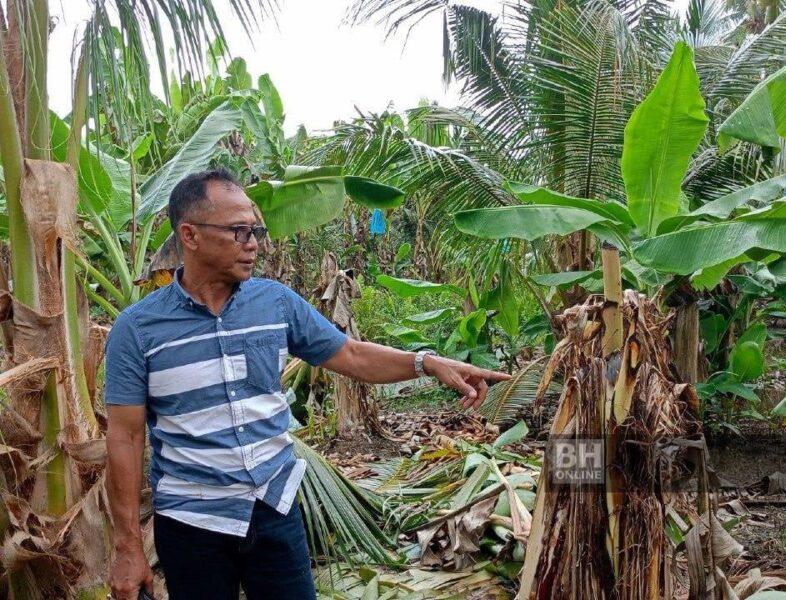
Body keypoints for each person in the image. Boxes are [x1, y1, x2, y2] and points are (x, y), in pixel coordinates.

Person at [104, 168, 511, 600]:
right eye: (239, 231)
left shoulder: (275, 303)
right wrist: (128, 546)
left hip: (275, 508)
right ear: (190, 235)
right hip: (192, 524)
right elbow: (125, 437)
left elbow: (351, 355)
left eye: (255, 231)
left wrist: (427, 362)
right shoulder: (139, 329)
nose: (254, 244)